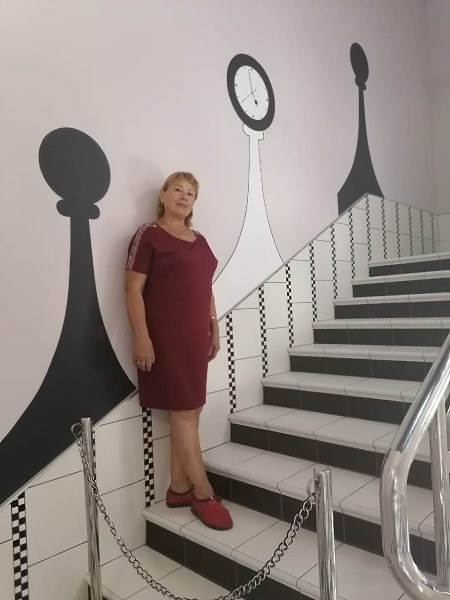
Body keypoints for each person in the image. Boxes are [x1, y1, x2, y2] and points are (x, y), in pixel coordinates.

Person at [125, 172, 233, 530]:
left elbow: (206, 287)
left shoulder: (200, 240)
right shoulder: (148, 234)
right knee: (185, 411)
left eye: (191, 193)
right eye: (178, 190)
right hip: (166, 338)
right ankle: (203, 493)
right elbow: (132, 290)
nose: (184, 197)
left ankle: (178, 488)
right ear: (163, 194)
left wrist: (214, 326)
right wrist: (142, 337)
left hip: (194, 337)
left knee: (191, 410)